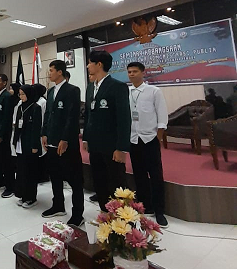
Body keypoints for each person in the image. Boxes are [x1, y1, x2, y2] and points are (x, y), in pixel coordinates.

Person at [83, 50, 131, 211]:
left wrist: (122, 147)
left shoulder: (117, 86)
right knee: (99, 181)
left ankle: (123, 218)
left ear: (99, 64)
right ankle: (105, 212)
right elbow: (89, 115)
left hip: (112, 145)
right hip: (95, 144)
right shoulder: (91, 87)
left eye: (90, 62)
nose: (88, 66)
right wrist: (86, 138)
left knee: (117, 182)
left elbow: (124, 119)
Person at [41, 60, 84, 225]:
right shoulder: (51, 91)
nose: (49, 73)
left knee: (74, 179)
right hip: (51, 141)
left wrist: (65, 139)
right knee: (55, 176)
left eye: (52, 70)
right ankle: (58, 205)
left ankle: (78, 214)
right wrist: (44, 133)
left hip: (66, 143)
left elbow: (72, 117)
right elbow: (48, 115)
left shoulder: (72, 90)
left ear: (60, 72)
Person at [127, 62, 169, 228]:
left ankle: (159, 211)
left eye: (135, 71)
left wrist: (158, 136)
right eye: (129, 72)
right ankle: (145, 206)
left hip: (149, 138)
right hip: (133, 139)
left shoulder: (153, 91)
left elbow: (162, 115)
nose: (131, 74)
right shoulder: (127, 92)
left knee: (156, 175)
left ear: (143, 73)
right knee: (139, 175)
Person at [13, 85, 42, 208]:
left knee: (30, 171)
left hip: (30, 143)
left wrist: (35, 145)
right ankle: (22, 195)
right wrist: (14, 141)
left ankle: (31, 197)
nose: (21, 96)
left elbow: (36, 128)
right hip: (20, 142)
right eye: (19, 94)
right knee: (21, 170)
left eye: (23, 94)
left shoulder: (36, 107)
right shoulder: (20, 107)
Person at [33, 83, 49, 183]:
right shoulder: (35, 100)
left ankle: (44, 175)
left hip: (41, 129)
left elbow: (44, 116)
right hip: (35, 129)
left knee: (43, 153)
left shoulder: (43, 101)